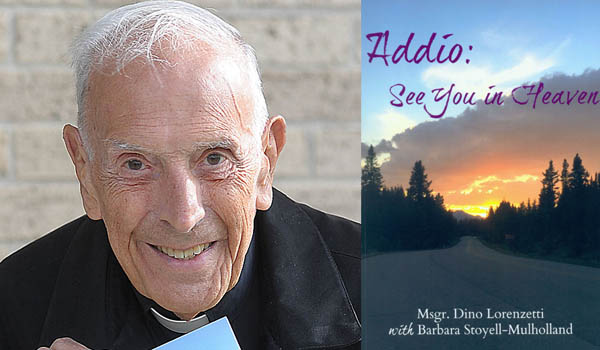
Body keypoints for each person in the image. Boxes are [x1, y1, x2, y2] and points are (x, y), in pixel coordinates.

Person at [0, 1, 360, 349]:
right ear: (85, 170)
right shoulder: (11, 310)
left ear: (265, 161)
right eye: (135, 164)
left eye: (214, 159)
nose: (184, 217)